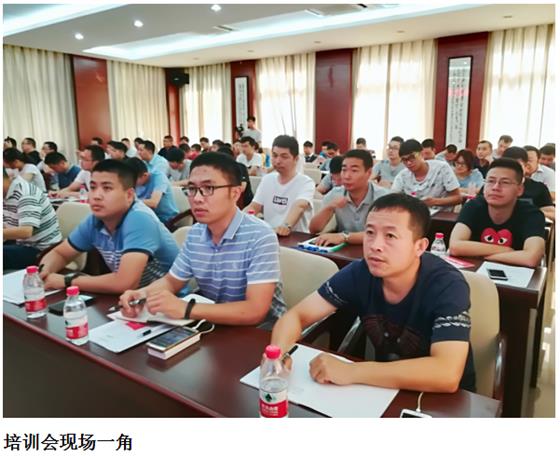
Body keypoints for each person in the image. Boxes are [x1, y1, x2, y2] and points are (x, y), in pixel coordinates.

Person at [271, 193, 475, 392]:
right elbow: (297, 316)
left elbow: (447, 373)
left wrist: (351, 371)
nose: (375, 246)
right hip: (383, 388)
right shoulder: (361, 271)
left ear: (419, 246)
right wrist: (277, 355)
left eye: (390, 236)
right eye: (369, 233)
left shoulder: (447, 284)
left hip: (440, 400)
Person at [118, 152, 286, 328]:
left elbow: (255, 311)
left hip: (262, 331)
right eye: (192, 189)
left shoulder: (260, 235)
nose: (197, 198)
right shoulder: (195, 234)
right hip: (214, 323)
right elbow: (171, 281)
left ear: (235, 193)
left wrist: (186, 308)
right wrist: (142, 294)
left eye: (208, 188)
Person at [39, 160, 179, 293]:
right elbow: (61, 253)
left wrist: (68, 281)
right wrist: (43, 271)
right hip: (130, 299)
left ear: (129, 195)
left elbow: (125, 283)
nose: (96, 196)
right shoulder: (95, 220)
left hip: (167, 298)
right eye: (93, 187)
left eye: (107, 188)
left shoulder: (140, 219)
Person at [449, 158, 545, 268]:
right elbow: (455, 247)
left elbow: (531, 258)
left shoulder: (532, 214)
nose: (495, 187)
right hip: (475, 272)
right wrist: (506, 250)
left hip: (515, 274)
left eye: (505, 182)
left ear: (520, 190)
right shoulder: (473, 206)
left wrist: (486, 256)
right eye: (490, 181)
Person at [310, 149, 389, 245]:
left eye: (354, 170)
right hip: (343, 249)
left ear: (368, 173)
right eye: (344, 170)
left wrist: (344, 237)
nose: (347, 176)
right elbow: (313, 229)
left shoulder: (383, 197)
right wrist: (329, 207)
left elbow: (381, 234)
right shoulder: (336, 193)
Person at [245, 135, 315, 235]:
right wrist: (241, 220)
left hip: (295, 237)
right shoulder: (267, 179)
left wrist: (286, 226)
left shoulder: (306, 182)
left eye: (284, 157)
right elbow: (254, 207)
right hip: (270, 235)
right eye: (274, 155)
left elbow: (300, 206)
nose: (278, 161)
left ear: (296, 159)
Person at [3, 168, 62, 270]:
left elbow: (26, 231)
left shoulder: (26, 193)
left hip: (42, 250)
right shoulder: (5, 194)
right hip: (22, 243)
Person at [391, 139, 462, 211]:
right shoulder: (402, 176)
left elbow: (458, 198)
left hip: (440, 215)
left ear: (422, 154)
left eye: (412, 157)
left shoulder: (441, 168)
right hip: (414, 215)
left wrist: (435, 202)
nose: (408, 163)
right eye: (404, 160)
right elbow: (393, 199)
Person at [500, 147, 555, 221]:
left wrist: (532, 211)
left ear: (526, 166)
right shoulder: (492, 186)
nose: (512, 170)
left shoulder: (539, 188)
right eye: (508, 166)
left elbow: (553, 214)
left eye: (518, 166)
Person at [127, 157, 179, 224]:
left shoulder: (159, 177)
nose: (131, 183)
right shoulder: (134, 183)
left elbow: (153, 203)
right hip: (149, 217)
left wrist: (129, 201)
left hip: (167, 219)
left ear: (145, 175)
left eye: (133, 180)